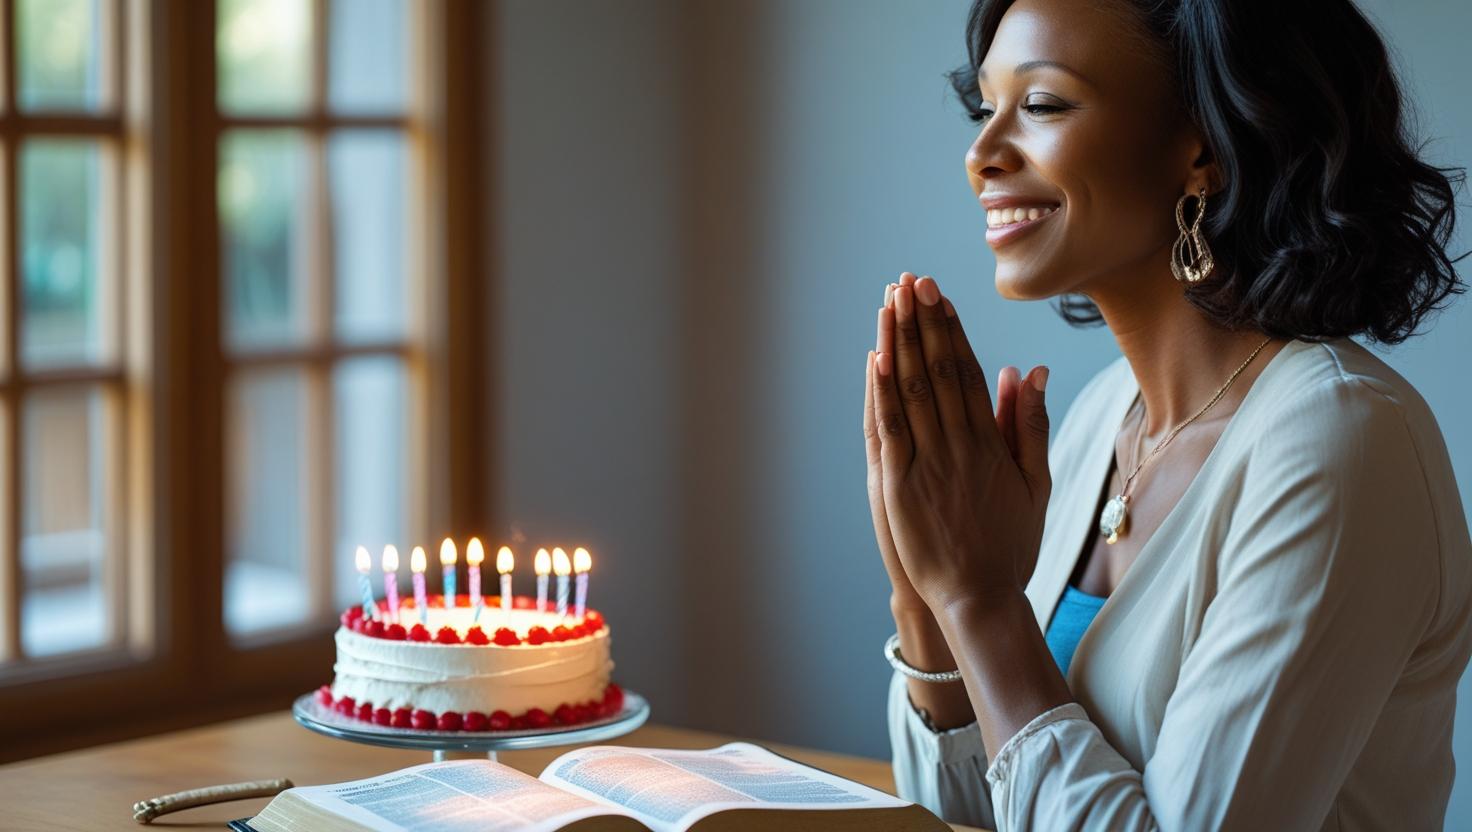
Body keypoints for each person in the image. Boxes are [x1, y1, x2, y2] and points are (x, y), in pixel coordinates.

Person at [864, 0, 1472, 828]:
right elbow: (971, 816)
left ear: (1203, 148)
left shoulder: (1340, 440)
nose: (981, 155)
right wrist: (923, 599)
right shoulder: (1101, 418)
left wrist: (979, 602)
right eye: (984, 108)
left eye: (1040, 105)